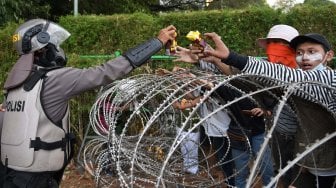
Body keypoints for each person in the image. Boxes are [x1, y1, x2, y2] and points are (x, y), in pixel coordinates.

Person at [0, 18, 176, 187]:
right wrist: (156, 43)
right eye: (55, 45)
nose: (58, 50)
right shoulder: (55, 79)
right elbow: (105, 72)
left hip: (10, 172)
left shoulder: (14, 86)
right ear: (43, 49)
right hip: (35, 177)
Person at [200, 32, 336, 188]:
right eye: (299, 53)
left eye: (312, 52)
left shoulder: (329, 81)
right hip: (305, 154)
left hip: (325, 162)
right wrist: (216, 61)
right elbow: (251, 81)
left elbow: (286, 76)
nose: (304, 57)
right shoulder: (296, 82)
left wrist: (232, 57)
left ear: (329, 55)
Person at [174, 46, 274, 188]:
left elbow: (271, 105)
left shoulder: (258, 87)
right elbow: (209, 87)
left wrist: (263, 110)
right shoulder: (227, 88)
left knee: (266, 167)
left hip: (257, 132)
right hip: (238, 133)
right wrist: (193, 77)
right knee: (240, 171)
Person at [257, 24, 300, 187]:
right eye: (272, 42)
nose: (275, 47)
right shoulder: (267, 73)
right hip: (277, 133)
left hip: (302, 141)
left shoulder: (306, 76)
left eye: (281, 43)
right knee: (284, 171)